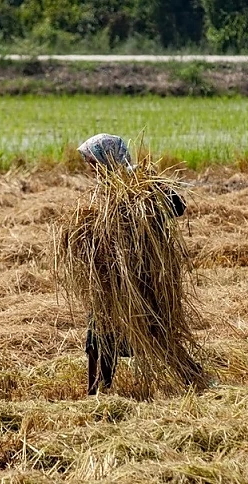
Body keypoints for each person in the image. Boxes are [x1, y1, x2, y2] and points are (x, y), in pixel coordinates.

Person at [77, 133, 187, 395]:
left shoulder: (139, 182)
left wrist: (149, 192)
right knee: (99, 337)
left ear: (109, 158)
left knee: (156, 336)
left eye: (94, 162)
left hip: (140, 275)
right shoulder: (106, 189)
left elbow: (178, 207)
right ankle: (96, 392)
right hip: (112, 276)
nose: (91, 169)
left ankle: (193, 378)